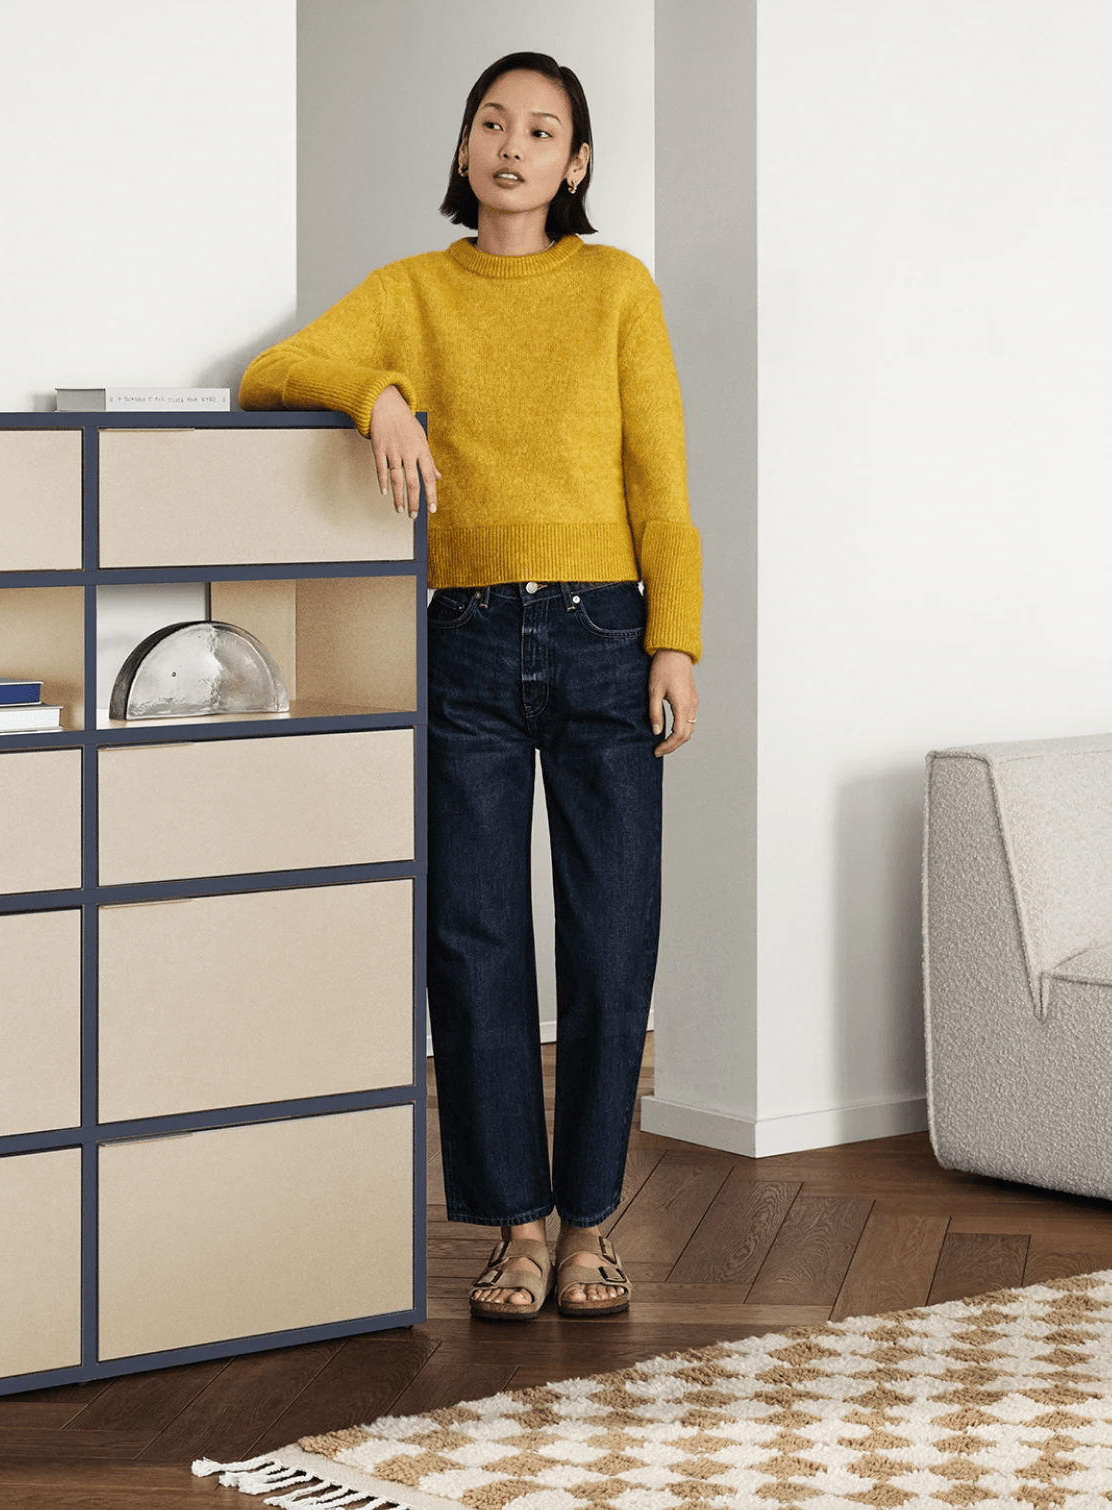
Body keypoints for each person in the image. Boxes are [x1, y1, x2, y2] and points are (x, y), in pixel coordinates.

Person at [242, 52, 700, 1319]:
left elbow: (659, 481)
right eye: (490, 123)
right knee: (474, 938)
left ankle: (593, 1219)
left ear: (577, 163)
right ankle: (516, 1223)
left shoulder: (616, 288)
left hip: (607, 634)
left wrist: (678, 639)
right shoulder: (409, 292)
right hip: (465, 642)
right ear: (461, 151)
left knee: (610, 938)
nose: (512, 146)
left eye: (541, 129)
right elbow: (272, 371)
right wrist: (378, 393)